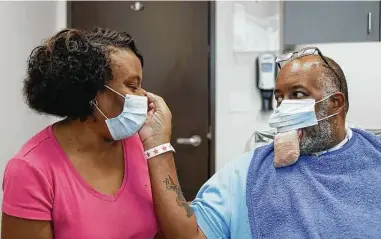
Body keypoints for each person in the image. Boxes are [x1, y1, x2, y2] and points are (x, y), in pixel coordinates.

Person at [144, 47, 381, 238]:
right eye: (279, 98)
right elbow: (187, 235)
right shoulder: (249, 171)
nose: (283, 107)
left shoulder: (373, 157)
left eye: (297, 94)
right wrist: (157, 144)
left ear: (335, 104)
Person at [1, 27, 165, 239]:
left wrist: (160, 147)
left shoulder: (138, 143)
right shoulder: (31, 170)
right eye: (132, 86)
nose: (144, 95)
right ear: (91, 92)